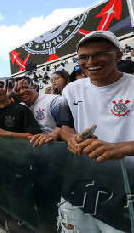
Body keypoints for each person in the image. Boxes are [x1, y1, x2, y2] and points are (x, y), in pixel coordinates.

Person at [59, 30, 134, 232]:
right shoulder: (71, 89)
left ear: (118, 55)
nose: (91, 61)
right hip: (79, 185)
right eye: (84, 57)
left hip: (125, 190)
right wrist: (71, 138)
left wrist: (123, 148)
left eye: (100, 53)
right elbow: (64, 127)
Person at [14, 77, 73, 146]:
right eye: (17, 90)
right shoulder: (20, 108)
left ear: (34, 87)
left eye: (25, 87)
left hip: (60, 147)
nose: (22, 91)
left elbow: (65, 126)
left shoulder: (55, 101)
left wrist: (50, 135)